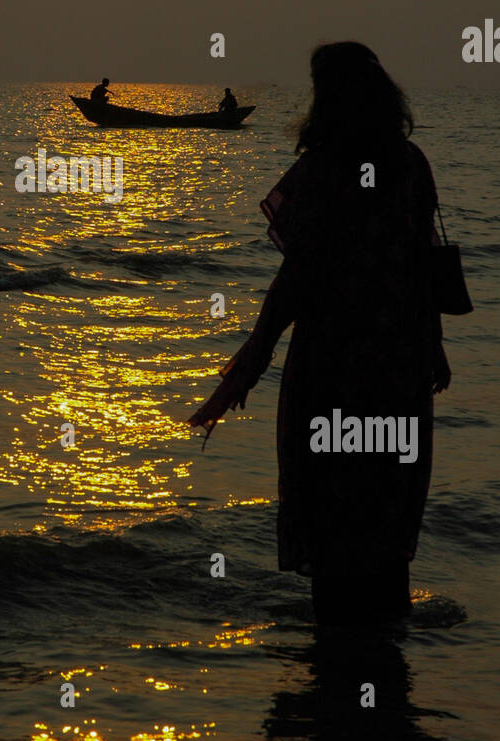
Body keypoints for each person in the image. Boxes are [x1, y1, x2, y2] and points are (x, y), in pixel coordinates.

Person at [189, 42, 454, 626]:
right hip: (396, 366)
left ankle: (341, 659)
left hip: (333, 368)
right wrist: (431, 345)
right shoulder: (411, 164)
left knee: (332, 516)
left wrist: (245, 369)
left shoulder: (321, 173)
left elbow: (295, 282)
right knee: (385, 508)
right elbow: (425, 264)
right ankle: (381, 655)